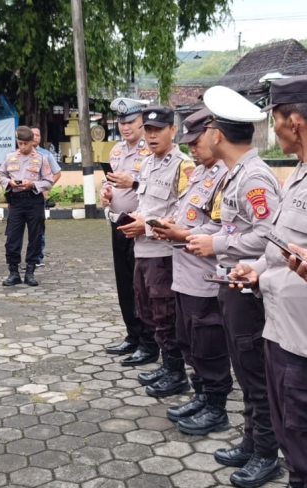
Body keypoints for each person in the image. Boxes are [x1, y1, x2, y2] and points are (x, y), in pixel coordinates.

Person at [187, 86, 282, 488]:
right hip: (231, 283)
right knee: (245, 370)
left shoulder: (254, 178)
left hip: (248, 288)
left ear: (219, 135)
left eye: (207, 128)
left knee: (255, 374)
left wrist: (217, 244)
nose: (202, 136)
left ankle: (266, 454)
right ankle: (251, 442)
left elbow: (270, 236)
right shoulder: (236, 173)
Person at [232, 75, 307, 488]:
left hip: (302, 343)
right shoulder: (297, 174)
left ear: (294, 121)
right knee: (290, 438)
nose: (273, 128)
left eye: (274, 119)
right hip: (280, 330)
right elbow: (279, 244)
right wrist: (257, 269)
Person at [150, 108, 232, 435]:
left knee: (208, 344)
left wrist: (180, 233)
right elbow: (189, 214)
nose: (192, 149)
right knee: (190, 342)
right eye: (190, 143)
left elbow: (223, 229)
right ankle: (201, 395)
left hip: (205, 278)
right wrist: (170, 225)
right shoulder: (198, 174)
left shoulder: (227, 176)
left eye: (197, 142)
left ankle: (216, 407)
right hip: (184, 274)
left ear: (215, 137)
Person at [119, 106, 196, 398]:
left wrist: (147, 226)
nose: (152, 136)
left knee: (166, 315)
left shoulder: (183, 166)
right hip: (143, 252)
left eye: (158, 130)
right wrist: (133, 219)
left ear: (172, 130)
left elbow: (186, 215)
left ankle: (177, 374)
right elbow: (146, 205)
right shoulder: (147, 163)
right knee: (147, 311)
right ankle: (167, 365)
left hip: (164, 254)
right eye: (148, 130)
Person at [100, 97, 151, 359]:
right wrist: (105, 192)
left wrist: (133, 182)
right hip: (118, 223)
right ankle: (132, 335)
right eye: (122, 123)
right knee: (124, 283)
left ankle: (148, 341)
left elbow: (158, 185)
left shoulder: (152, 150)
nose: (125, 127)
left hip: (140, 226)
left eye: (131, 121)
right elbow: (108, 181)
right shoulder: (116, 151)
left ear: (142, 121)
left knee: (142, 285)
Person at [0, 126, 53, 287]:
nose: (22, 147)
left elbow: (48, 180)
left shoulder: (41, 158)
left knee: (35, 236)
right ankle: (13, 272)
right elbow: (1, 174)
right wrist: (9, 182)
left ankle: (30, 272)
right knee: (12, 237)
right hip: (16, 201)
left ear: (32, 142)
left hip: (34, 200)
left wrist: (33, 184)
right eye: (20, 143)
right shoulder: (10, 157)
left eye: (25, 144)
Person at [30, 126, 62, 266]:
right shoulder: (17, 154)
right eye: (33, 134)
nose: (35, 137)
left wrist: (46, 187)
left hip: (38, 196)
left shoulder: (46, 154)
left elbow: (57, 173)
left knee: (38, 228)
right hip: (21, 197)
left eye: (38, 135)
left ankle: (38, 256)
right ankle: (16, 259)